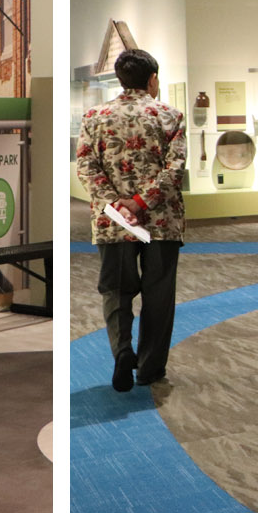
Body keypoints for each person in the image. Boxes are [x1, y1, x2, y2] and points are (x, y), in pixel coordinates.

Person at [78, 49, 187, 392]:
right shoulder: (169, 116)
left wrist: (118, 206)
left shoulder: (95, 116)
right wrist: (141, 202)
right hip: (161, 223)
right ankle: (150, 367)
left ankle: (123, 351)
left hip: (113, 224)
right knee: (158, 295)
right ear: (152, 79)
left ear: (120, 80)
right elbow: (175, 169)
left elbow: (86, 168)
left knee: (116, 291)